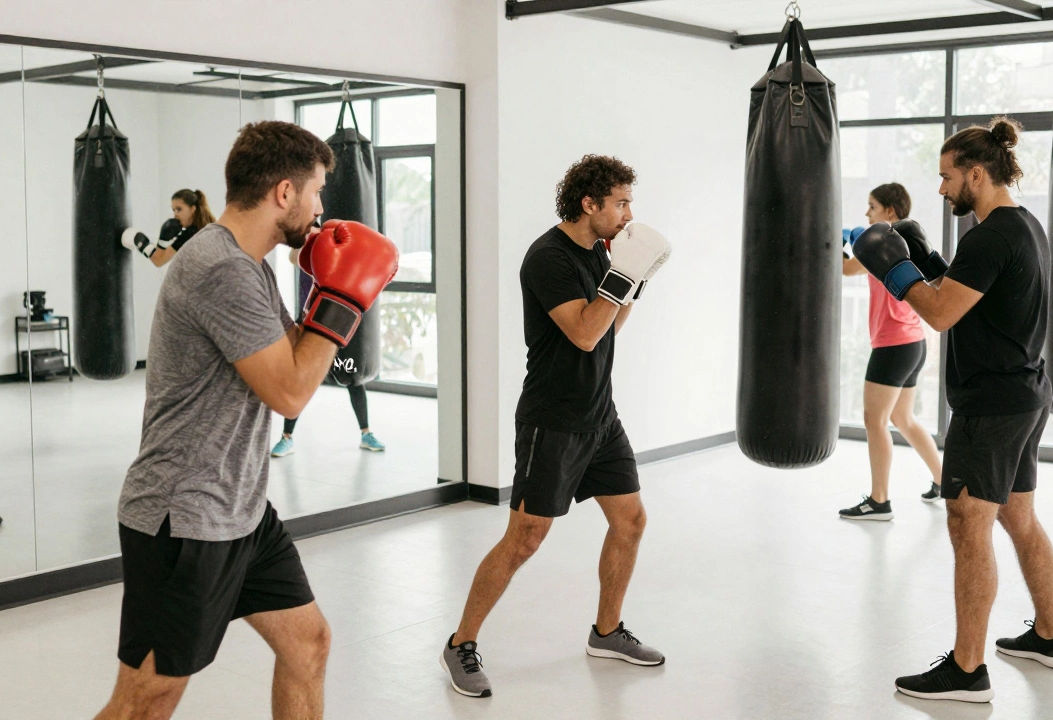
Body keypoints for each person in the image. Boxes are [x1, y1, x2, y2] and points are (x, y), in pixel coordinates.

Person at [95, 121, 398, 720]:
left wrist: (334, 299)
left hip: (241, 509)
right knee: (147, 699)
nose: (320, 210)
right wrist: (344, 301)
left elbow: (295, 352)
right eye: (315, 193)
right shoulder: (221, 269)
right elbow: (289, 391)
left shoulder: (249, 264)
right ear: (284, 192)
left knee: (307, 641)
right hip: (184, 518)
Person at [852, 118, 1053, 703]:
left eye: (948, 177)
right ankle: (1050, 637)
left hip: (991, 404)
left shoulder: (988, 236)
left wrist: (897, 270)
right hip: (1026, 392)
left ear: (977, 173)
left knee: (966, 521)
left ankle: (967, 669)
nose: (942, 188)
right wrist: (925, 257)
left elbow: (943, 313)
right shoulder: (1023, 225)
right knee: (1018, 517)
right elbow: (975, 300)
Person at [440, 155, 670, 699]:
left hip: (600, 415)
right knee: (525, 538)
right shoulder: (547, 258)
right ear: (589, 204)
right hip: (554, 419)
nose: (628, 213)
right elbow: (586, 334)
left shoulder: (601, 251)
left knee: (631, 521)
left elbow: (614, 326)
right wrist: (621, 276)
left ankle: (607, 632)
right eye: (620, 203)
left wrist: (635, 281)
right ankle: (460, 643)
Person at [838, 183, 944, 521]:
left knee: (875, 420)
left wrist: (836, 241)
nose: (866, 214)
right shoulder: (904, 244)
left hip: (893, 344)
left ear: (890, 212)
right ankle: (945, 482)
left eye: (872, 207)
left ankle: (879, 500)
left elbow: (845, 267)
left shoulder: (881, 247)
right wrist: (845, 240)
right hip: (913, 343)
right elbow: (847, 269)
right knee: (902, 419)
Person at [270, 264, 384, 457]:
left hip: (338, 314)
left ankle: (366, 433)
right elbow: (294, 257)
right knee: (304, 379)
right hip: (312, 316)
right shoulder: (311, 241)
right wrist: (313, 244)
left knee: (352, 373)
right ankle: (287, 437)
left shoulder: (342, 256)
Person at [120, 188, 215, 267]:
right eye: (174, 210)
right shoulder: (209, 227)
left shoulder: (191, 233)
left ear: (192, 209)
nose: (175, 215)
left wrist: (146, 244)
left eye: (179, 209)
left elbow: (159, 260)